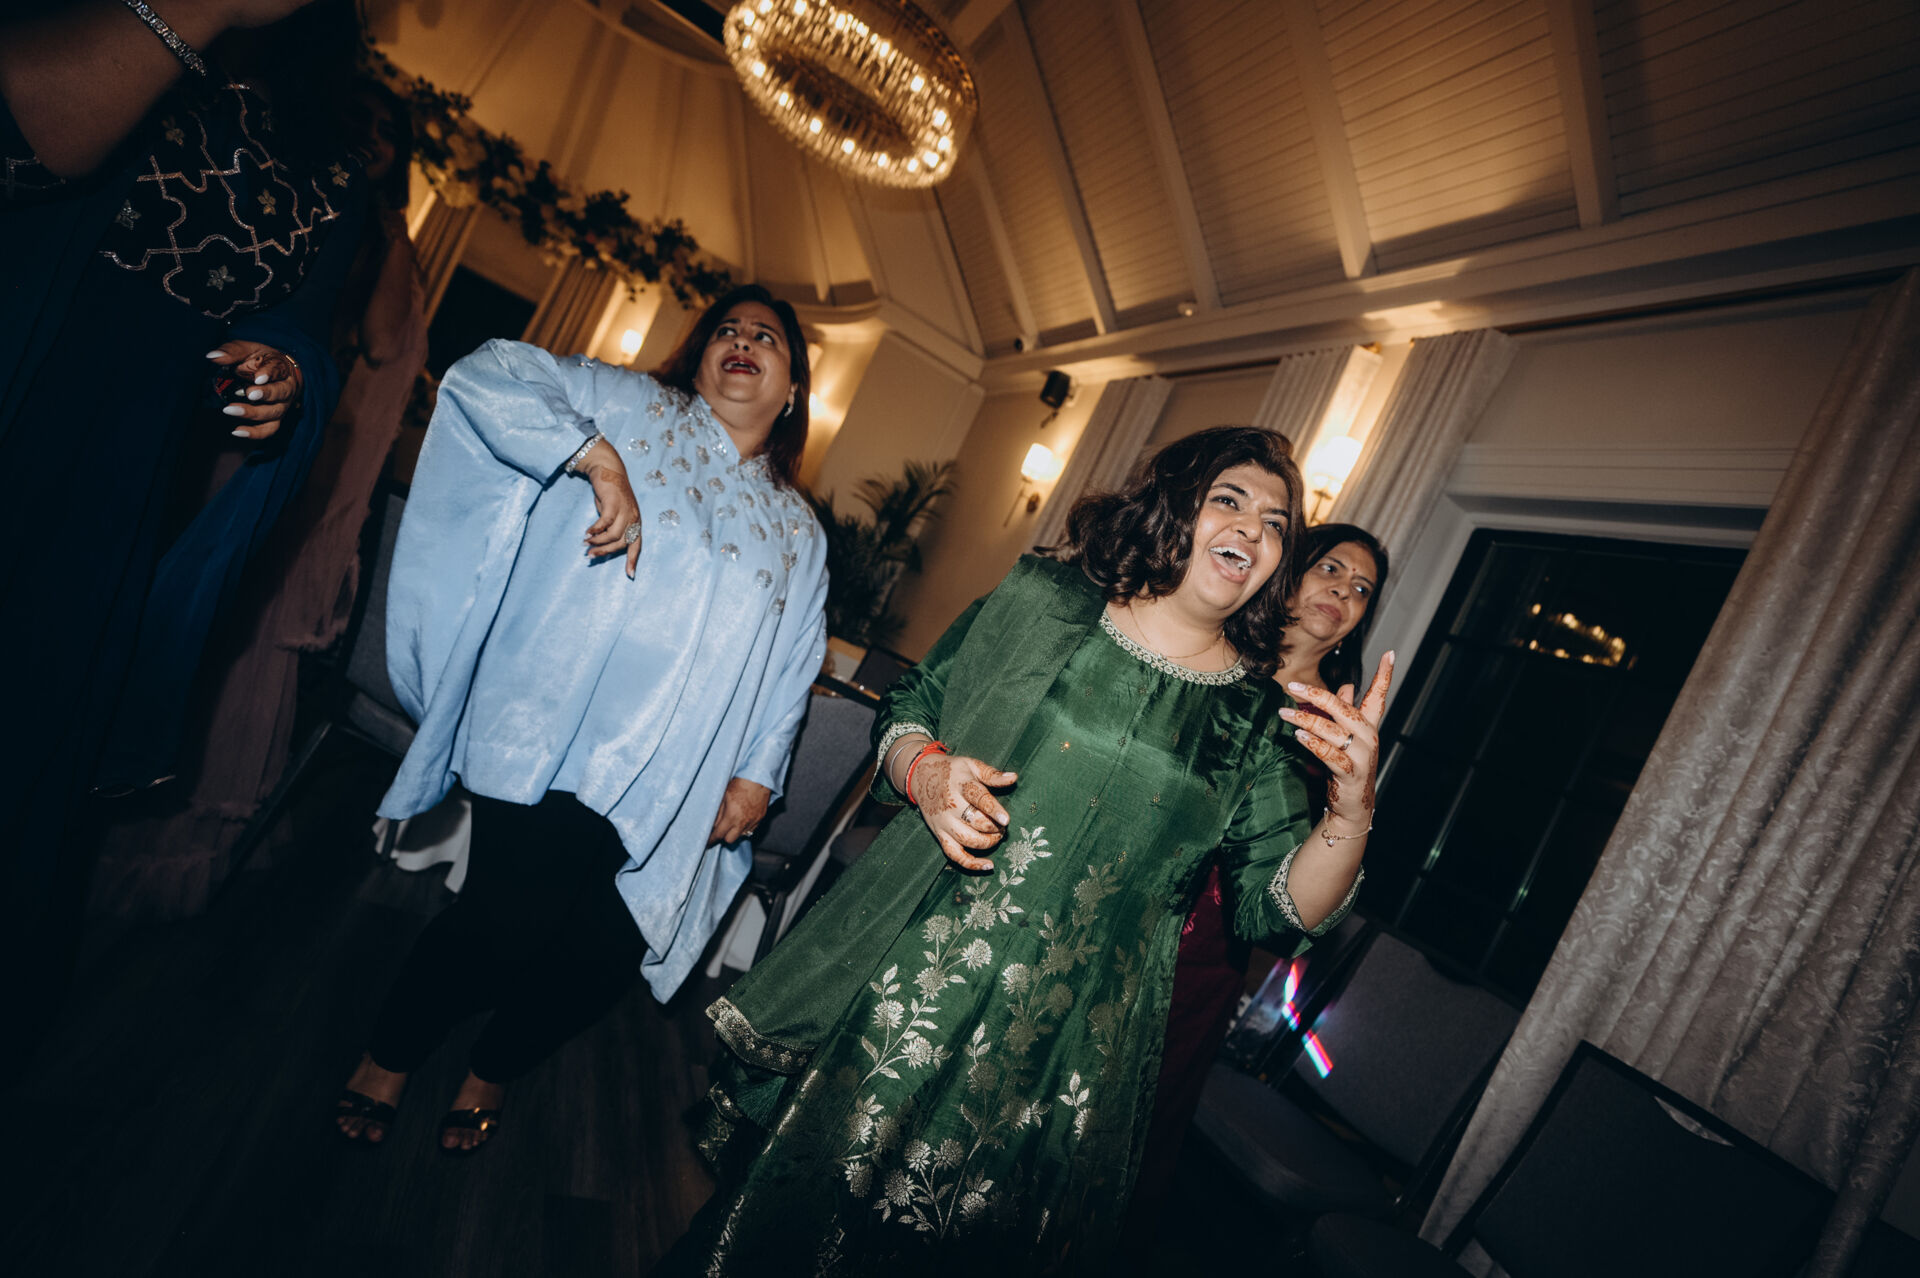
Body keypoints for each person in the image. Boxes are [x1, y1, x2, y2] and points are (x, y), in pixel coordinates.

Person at [659, 426, 1391, 1274]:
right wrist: (926, 771)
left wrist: (1351, 808)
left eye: (1275, 524)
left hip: (1062, 1047)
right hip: (913, 980)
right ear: (1174, 505)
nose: (1253, 529)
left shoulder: (1255, 721)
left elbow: (1279, 909)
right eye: (1229, 500)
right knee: (784, 1220)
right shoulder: (1046, 599)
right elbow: (913, 703)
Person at [334, 284, 829, 1154]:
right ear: (700, 357)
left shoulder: (799, 530)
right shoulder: (627, 405)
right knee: (505, 921)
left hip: (679, 777)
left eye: (767, 338)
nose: (744, 341)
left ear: (792, 392)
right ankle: (390, 1055)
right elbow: (490, 371)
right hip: (554, 733)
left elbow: (793, 665)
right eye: (727, 329)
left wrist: (758, 775)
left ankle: (493, 1066)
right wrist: (596, 456)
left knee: (604, 953)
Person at [0, 0, 367, 1049]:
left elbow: (307, 318)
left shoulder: (328, 144)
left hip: (114, 497)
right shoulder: (77, 18)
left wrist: (287, 366)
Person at [88, 78, 427, 917]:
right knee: (195, 596)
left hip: (313, 450)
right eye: (362, 118)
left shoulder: (380, 235)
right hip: (252, 429)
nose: (373, 136)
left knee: (244, 622)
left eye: (389, 130)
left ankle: (175, 838)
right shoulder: (298, 202)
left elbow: (384, 340)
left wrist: (390, 230)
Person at [1127, 522, 1390, 1241]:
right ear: (1289, 570)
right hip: (1119, 898)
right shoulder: (1209, 652)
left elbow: (1303, 875)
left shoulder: (1339, 727)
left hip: (1207, 949)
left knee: (1129, 1120)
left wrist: (1352, 801)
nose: (1343, 590)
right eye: (1330, 568)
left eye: (1361, 588)